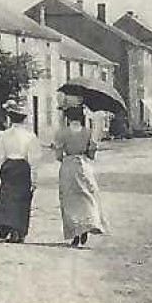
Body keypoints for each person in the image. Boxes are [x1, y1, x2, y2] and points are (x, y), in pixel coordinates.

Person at [0, 100, 43, 243]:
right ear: (24, 120)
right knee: (22, 199)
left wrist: (1, 168)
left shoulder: (3, 135)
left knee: (7, 198)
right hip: (23, 168)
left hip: (9, 166)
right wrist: (34, 178)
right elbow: (34, 158)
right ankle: (17, 230)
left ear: (10, 118)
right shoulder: (30, 136)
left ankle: (6, 227)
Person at [53, 105, 107, 248]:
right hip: (83, 166)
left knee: (69, 200)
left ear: (68, 118)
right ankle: (87, 225)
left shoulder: (62, 133)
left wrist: (65, 156)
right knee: (87, 197)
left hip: (68, 166)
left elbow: (58, 155)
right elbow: (91, 154)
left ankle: (75, 233)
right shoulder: (88, 133)